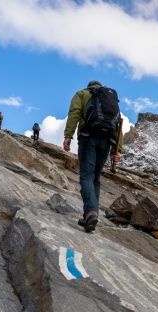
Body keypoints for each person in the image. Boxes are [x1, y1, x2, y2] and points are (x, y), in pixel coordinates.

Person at [62, 80, 122, 232]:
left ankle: (90, 213)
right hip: (106, 142)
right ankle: (91, 215)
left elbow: (74, 112)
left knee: (86, 176)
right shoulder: (110, 99)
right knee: (95, 179)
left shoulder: (82, 94)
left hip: (88, 138)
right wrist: (117, 150)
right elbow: (118, 124)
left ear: (89, 86)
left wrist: (68, 135)